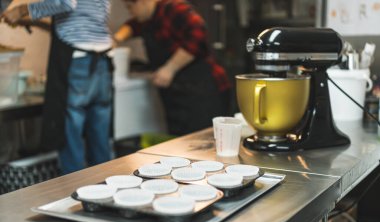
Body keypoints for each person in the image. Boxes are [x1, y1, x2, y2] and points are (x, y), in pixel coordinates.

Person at [1, 0, 114, 174]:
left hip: (77, 61)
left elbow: (65, 3)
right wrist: (31, 19)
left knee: (69, 137)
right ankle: (104, 196)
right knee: (100, 143)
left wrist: (23, 10)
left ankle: (74, 197)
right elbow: (82, 16)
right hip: (102, 60)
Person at [114, 0, 232, 136]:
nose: (130, 12)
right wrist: (116, 39)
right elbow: (132, 26)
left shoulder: (173, 8)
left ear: (143, 2)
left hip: (204, 91)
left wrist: (170, 68)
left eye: (130, 7)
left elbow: (198, 34)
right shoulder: (148, 19)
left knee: (205, 142)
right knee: (180, 143)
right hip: (178, 94)